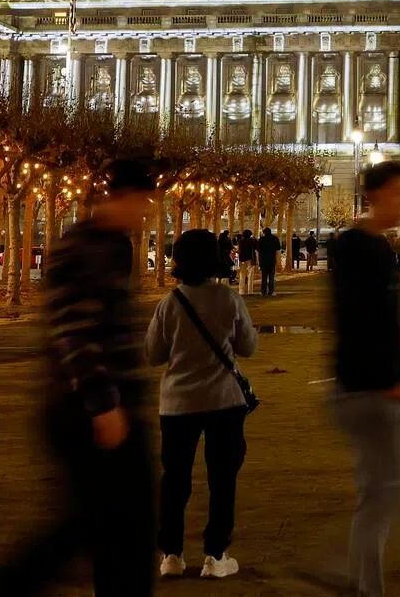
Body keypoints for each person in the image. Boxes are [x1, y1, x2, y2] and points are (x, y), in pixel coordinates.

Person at [0, 158, 157, 597]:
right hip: (87, 411)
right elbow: (73, 330)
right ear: (126, 197)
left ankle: (9, 583)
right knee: (99, 524)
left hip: (107, 406)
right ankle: (4, 584)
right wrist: (103, 404)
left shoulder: (114, 244)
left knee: (109, 527)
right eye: (145, 202)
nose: (148, 213)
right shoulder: (87, 248)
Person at [317, 160, 400, 597]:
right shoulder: (363, 250)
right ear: (376, 196)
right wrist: (390, 376)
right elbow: (362, 322)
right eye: (399, 193)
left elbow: (386, 325)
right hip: (368, 389)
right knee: (398, 490)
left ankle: (355, 580)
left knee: (381, 493)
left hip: (367, 384)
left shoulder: (373, 248)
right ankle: (339, 574)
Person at [146, 228, 258, 580]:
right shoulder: (228, 299)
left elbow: (153, 354)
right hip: (223, 400)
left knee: (175, 479)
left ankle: (172, 554)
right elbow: (248, 347)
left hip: (177, 403)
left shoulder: (170, 303)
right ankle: (215, 554)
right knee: (222, 478)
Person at [257, 226, 280, 297]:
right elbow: (278, 248)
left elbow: (258, 249)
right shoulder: (275, 239)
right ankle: (271, 291)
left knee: (264, 277)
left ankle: (263, 291)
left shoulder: (261, 239)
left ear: (264, 233)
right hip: (272, 260)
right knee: (271, 277)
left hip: (263, 260)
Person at [237, 228, 257, 296]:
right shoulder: (251, 241)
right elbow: (257, 247)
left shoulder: (240, 241)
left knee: (242, 275)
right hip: (250, 259)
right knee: (250, 275)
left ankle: (241, 291)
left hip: (242, 259)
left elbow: (239, 250)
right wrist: (255, 239)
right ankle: (250, 291)